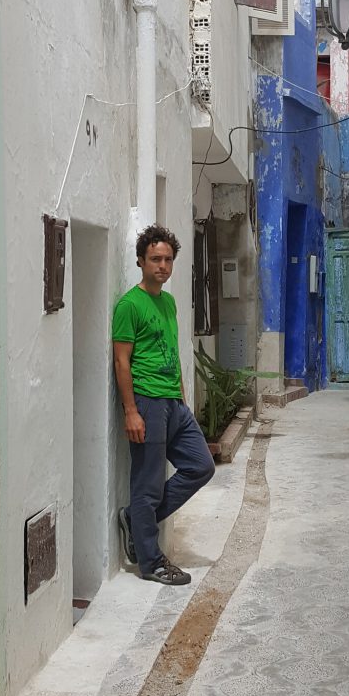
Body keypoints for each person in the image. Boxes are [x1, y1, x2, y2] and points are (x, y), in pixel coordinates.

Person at [112, 224, 215, 585]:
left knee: (201, 467)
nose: (163, 266)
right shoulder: (130, 305)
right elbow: (121, 361)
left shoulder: (168, 302)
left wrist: (182, 400)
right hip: (147, 401)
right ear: (141, 261)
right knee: (149, 484)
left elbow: (171, 349)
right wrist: (131, 411)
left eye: (168, 259)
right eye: (155, 259)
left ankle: (136, 519)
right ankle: (150, 562)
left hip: (173, 403)